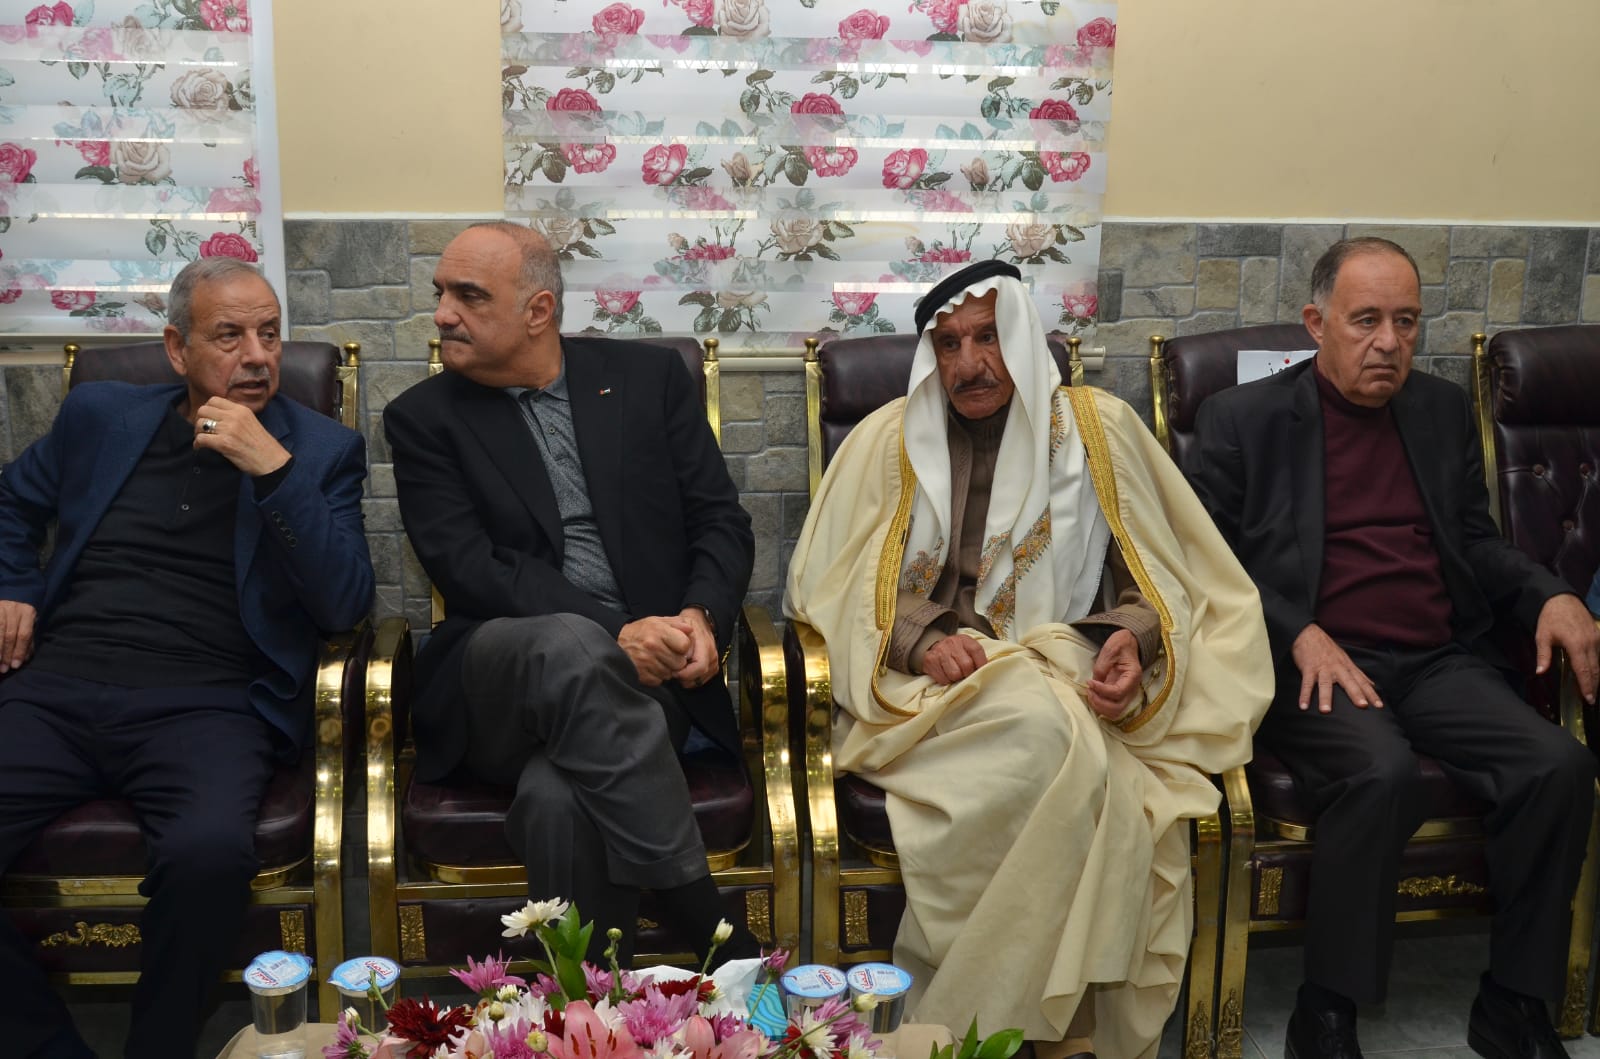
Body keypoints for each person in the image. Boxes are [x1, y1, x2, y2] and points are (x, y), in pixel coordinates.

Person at [785, 259, 1273, 1059]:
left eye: (987, 337)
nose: (968, 363)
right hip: (921, 699)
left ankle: (959, 1031)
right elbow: (830, 585)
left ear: (1021, 335)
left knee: (1056, 734)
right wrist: (922, 636)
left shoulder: (1099, 432)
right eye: (948, 344)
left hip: (1065, 674)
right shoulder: (887, 441)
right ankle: (1066, 1033)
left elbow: (1161, 575)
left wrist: (1130, 638)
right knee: (1068, 752)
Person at [1187, 237, 1599, 1059]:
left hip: (1435, 658)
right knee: (1380, 773)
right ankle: (1326, 1011)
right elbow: (1203, 562)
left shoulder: (1439, 410)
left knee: (1557, 764)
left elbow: (1475, 540)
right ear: (1317, 323)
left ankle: (1515, 1002)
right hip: (1316, 664)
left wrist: (1549, 592)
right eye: (1366, 320)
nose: (1388, 342)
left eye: (1406, 322)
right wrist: (1298, 631)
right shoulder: (1244, 419)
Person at [0, 257, 374, 1059]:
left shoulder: (322, 450)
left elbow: (345, 603)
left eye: (270, 334)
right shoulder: (99, 415)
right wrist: (12, 586)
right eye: (229, 336)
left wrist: (274, 470)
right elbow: (10, 501)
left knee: (209, 855)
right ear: (177, 349)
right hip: (57, 686)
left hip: (209, 702)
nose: (257, 356)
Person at [383, 222, 756, 963]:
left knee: (559, 799)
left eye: (468, 296)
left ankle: (586, 1003)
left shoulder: (648, 379)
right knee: (570, 641)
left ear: (538, 311)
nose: (443, 314)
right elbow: (470, 569)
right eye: (441, 293)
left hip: (645, 687)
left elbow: (720, 519)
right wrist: (618, 633)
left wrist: (699, 617)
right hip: (500, 679)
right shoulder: (424, 419)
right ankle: (716, 933)